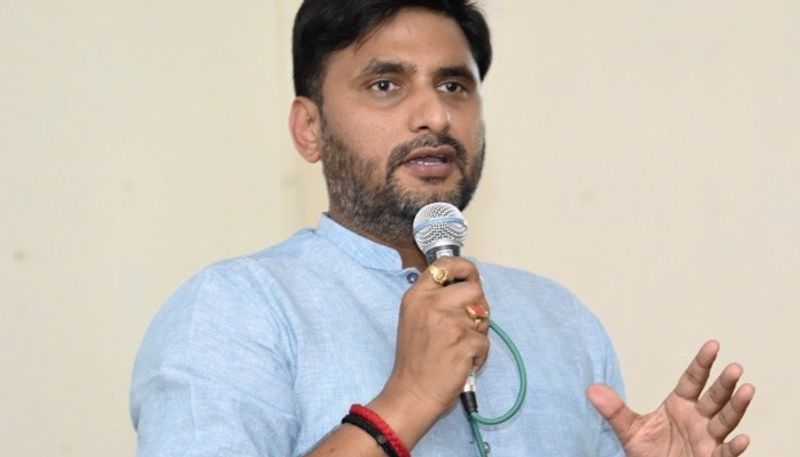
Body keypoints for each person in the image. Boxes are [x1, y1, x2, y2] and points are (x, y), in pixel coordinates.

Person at [130, 1, 755, 456]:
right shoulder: (232, 311)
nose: (434, 114)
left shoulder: (562, 320)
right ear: (309, 129)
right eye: (385, 84)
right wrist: (405, 401)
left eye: (454, 85)